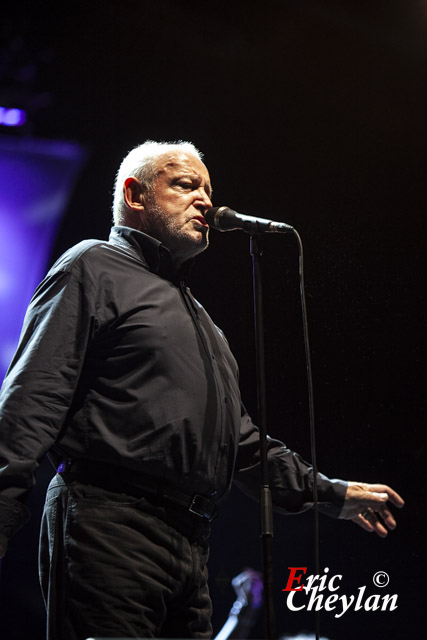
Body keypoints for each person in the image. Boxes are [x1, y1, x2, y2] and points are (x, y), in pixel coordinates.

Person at [0, 140, 404, 639]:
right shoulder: (93, 266)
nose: (205, 201)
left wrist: (329, 492)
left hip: (190, 546)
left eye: (209, 190)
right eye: (186, 185)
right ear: (136, 195)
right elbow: (31, 401)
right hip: (108, 526)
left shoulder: (205, 325)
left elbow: (242, 445)